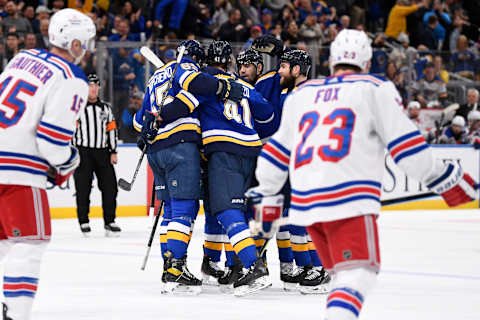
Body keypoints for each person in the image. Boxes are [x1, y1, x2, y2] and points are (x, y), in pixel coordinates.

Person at [247, 29, 477, 320]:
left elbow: (276, 153)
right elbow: (407, 149)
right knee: (358, 275)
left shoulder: (302, 95)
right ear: (367, 62)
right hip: (348, 201)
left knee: (341, 275)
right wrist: (446, 179)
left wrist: (267, 196)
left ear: (332, 61)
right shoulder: (374, 88)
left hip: (306, 207)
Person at [0, 8, 95, 320]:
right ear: (76, 44)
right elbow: (52, 142)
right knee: (28, 244)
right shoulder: (71, 77)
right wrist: (70, 161)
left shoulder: (21, 58)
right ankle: (15, 314)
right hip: (19, 173)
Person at [135, 39, 245, 294]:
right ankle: (176, 269)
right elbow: (196, 87)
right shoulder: (185, 69)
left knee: (170, 210)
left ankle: (169, 266)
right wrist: (222, 86)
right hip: (180, 146)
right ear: (195, 59)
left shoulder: (155, 78)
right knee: (185, 207)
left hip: (156, 152)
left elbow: (140, 121)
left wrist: (149, 131)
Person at [72, 73, 120, 237]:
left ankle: (110, 221)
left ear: (98, 88)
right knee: (83, 188)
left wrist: (113, 151)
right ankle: (83, 221)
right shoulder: (77, 109)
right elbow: (70, 131)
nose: (93, 89)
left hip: (103, 152)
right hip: (83, 152)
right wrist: (72, 152)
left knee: (110, 187)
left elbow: (112, 129)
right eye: (90, 86)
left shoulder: (105, 108)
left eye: (95, 86)